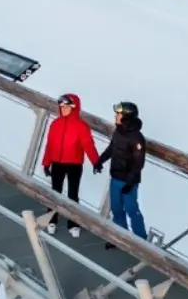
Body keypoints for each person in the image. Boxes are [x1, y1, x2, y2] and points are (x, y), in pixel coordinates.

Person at [41, 93, 100, 238]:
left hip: (74, 164)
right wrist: (46, 162)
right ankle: (51, 220)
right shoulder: (55, 124)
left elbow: (88, 145)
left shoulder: (81, 126)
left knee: (72, 195)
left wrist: (95, 161)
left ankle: (73, 224)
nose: (63, 109)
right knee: (55, 193)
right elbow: (50, 144)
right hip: (57, 163)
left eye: (66, 106)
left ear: (74, 107)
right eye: (61, 106)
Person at [94, 101, 148, 246]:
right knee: (116, 209)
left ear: (126, 117)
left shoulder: (137, 138)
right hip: (115, 178)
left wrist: (130, 182)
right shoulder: (118, 132)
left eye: (118, 114)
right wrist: (100, 161)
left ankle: (142, 241)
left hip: (128, 182)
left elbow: (139, 163)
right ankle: (120, 237)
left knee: (132, 210)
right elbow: (112, 149)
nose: (116, 116)